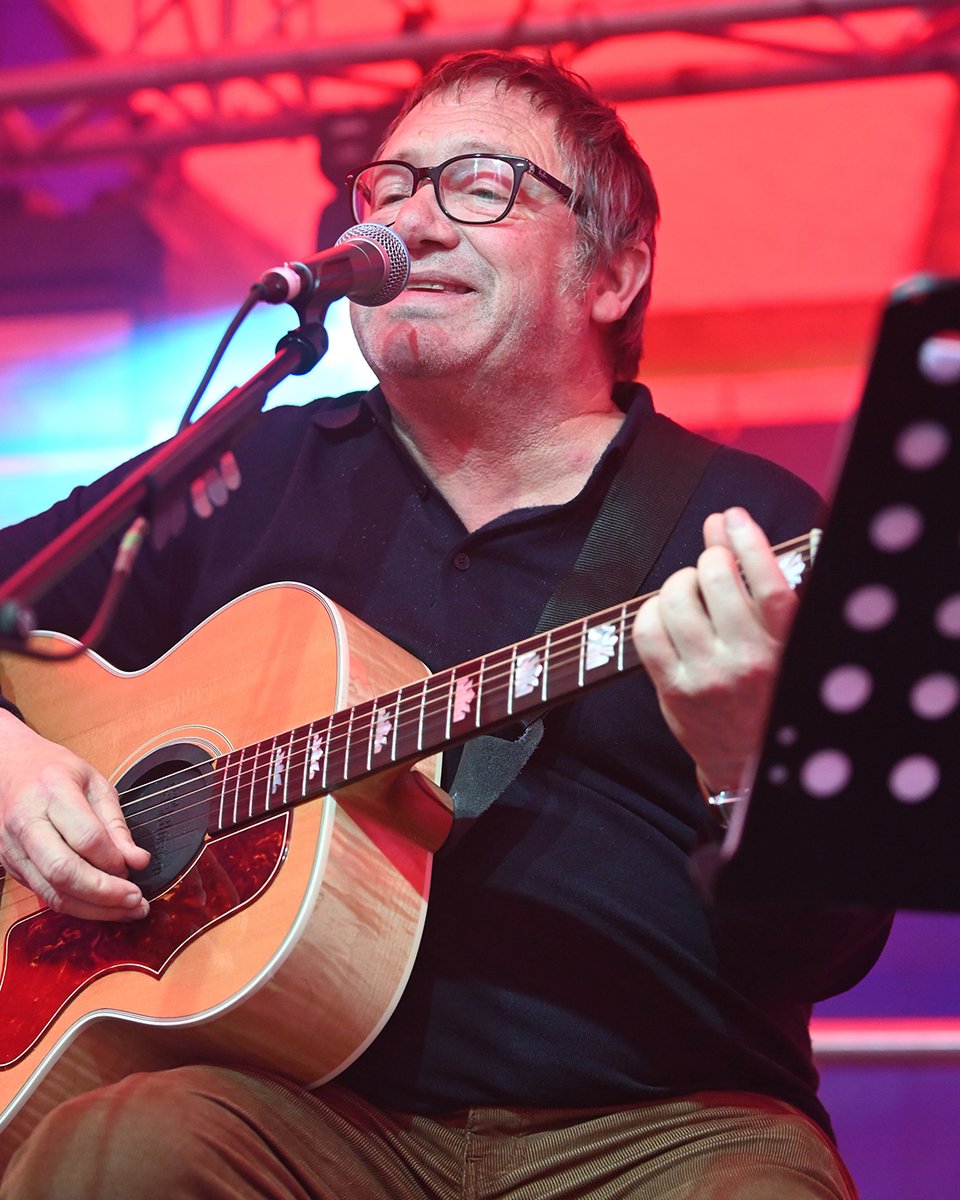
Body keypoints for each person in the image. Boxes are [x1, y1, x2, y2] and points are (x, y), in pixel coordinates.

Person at [0, 50, 887, 1199]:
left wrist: (743, 761)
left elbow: (833, 949)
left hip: (663, 1124)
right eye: (389, 187)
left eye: (480, 184)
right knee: (120, 1147)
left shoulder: (756, 530)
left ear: (613, 273)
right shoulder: (249, 470)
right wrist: (13, 760)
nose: (412, 218)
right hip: (292, 1110)